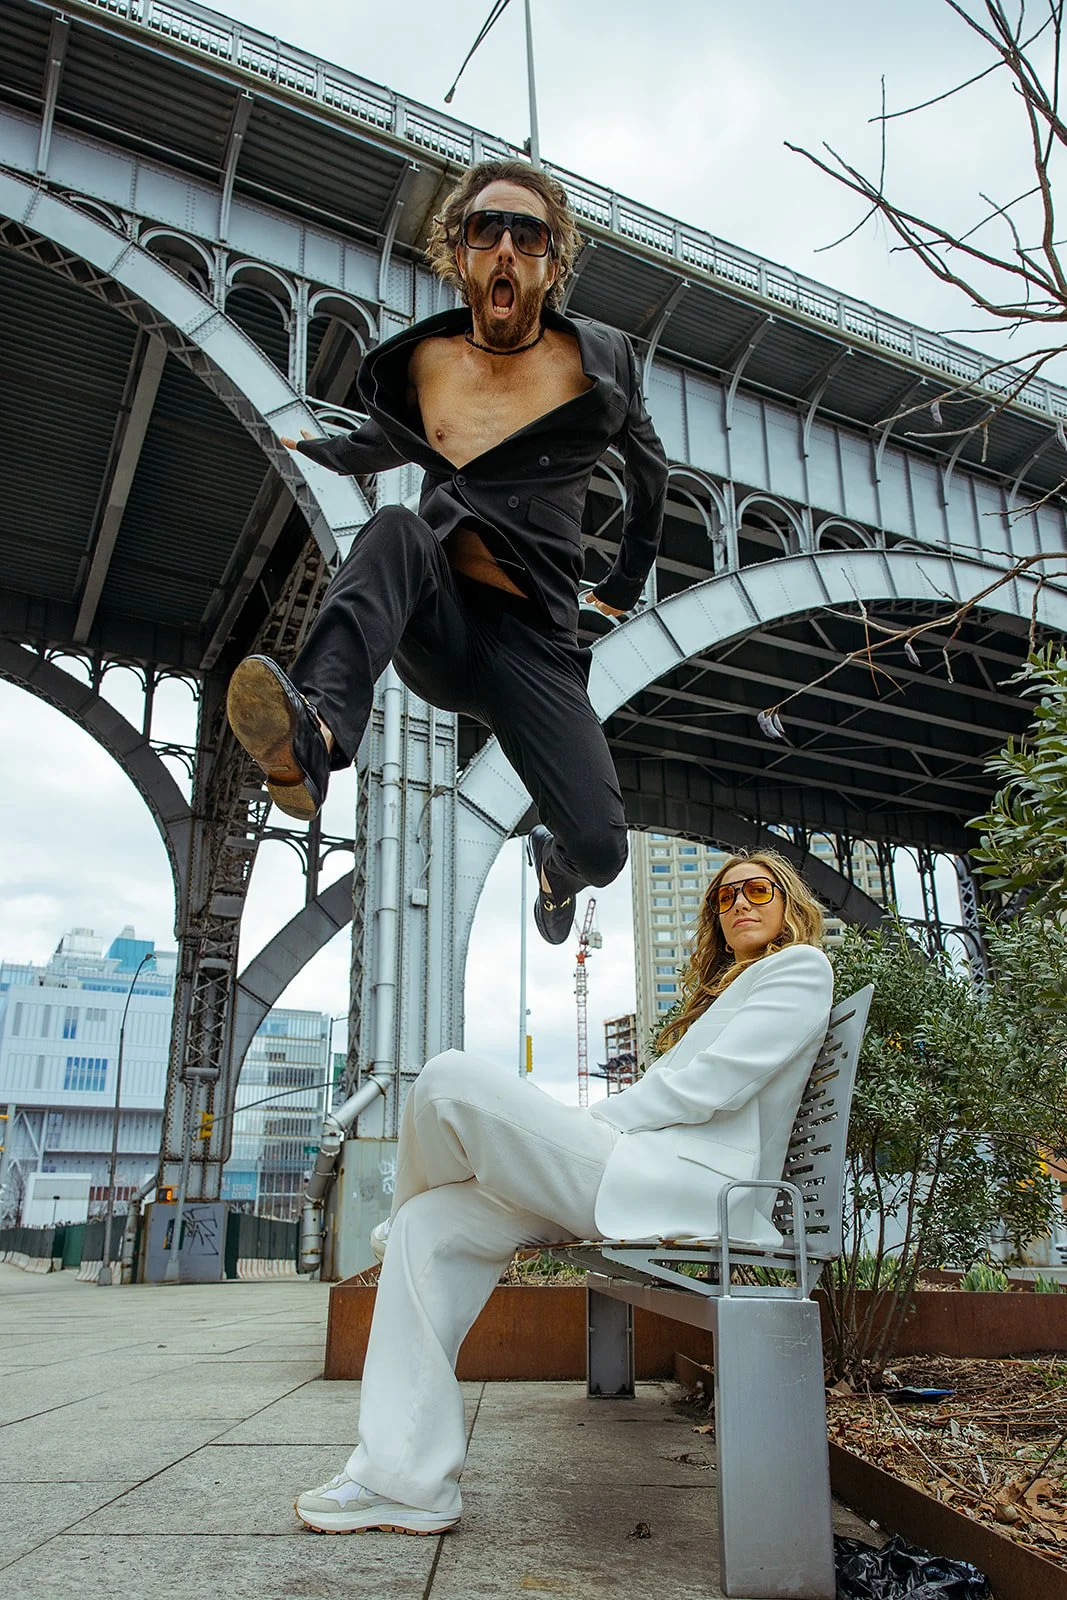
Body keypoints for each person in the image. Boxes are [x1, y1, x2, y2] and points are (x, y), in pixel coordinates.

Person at [293, 849, 833, 1536]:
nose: (740, 905)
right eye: (724, 900)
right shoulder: (735, 988)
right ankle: (403, 1480)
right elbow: (684, 1092)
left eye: (756, 890)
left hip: (681, 1188)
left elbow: (709, 1087)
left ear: (787, 901)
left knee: (448, 1078)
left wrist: (587, 1125)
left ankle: (392, 1225)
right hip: (639, 1170)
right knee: (431, 1224)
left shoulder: (798, 969)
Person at [225, 158, 668, 944]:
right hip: (444, 626)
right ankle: (315, 733)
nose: (504, 245)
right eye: (484, 229)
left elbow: (649, 472)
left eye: (525, 233)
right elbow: (386, 441)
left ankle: (551, 866)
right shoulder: (424, 366)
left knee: (602, 851)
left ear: (550, 263)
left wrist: (624, 583)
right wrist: (324, 450)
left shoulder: (598, 365)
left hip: (536, 644)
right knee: (396, 528)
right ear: (458, 255)